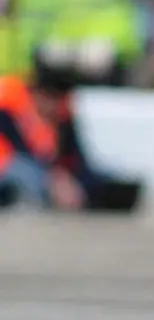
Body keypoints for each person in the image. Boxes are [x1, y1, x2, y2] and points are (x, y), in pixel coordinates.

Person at [0, 50, 142, 212]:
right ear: (38, 93)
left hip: (46, 170)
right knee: (28, 175)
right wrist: (54, 179)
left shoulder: (62, 112)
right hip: (9, 167)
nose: (57, 106)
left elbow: (76, 157)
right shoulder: (10, 103)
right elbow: (21, 150)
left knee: (95, 178)